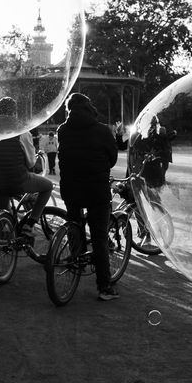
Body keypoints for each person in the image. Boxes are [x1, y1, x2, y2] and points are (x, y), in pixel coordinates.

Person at [57, 93, 120, 300]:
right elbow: (112, 158)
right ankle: (104, 287)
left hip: (71, 188)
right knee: (99, 237)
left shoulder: (63, 130)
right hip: (96, 190)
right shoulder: (102, 130)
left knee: (74, 225)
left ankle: (76, 259)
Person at [0, 97, 53, 235]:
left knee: (0, 218)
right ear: (14, 112)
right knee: (48, 186)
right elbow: (31, 162)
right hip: (17, 180)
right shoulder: (21, 132)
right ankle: (30, 223)